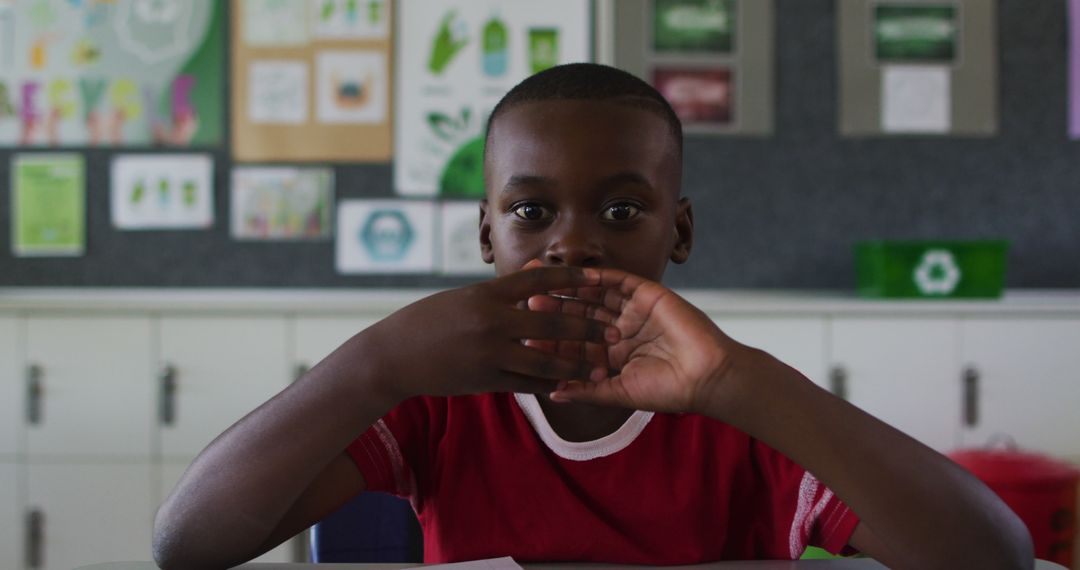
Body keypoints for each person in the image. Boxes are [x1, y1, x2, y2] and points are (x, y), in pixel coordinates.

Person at [153, 63, 1032, 570]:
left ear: (677, 230)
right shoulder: (438, 400)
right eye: (532, 213)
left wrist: (737, 382)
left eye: (621, 212)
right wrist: (375, 360)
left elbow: (994, 558)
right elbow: (186, 545)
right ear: (486, 235)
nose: (573, 246)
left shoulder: (741, 410)